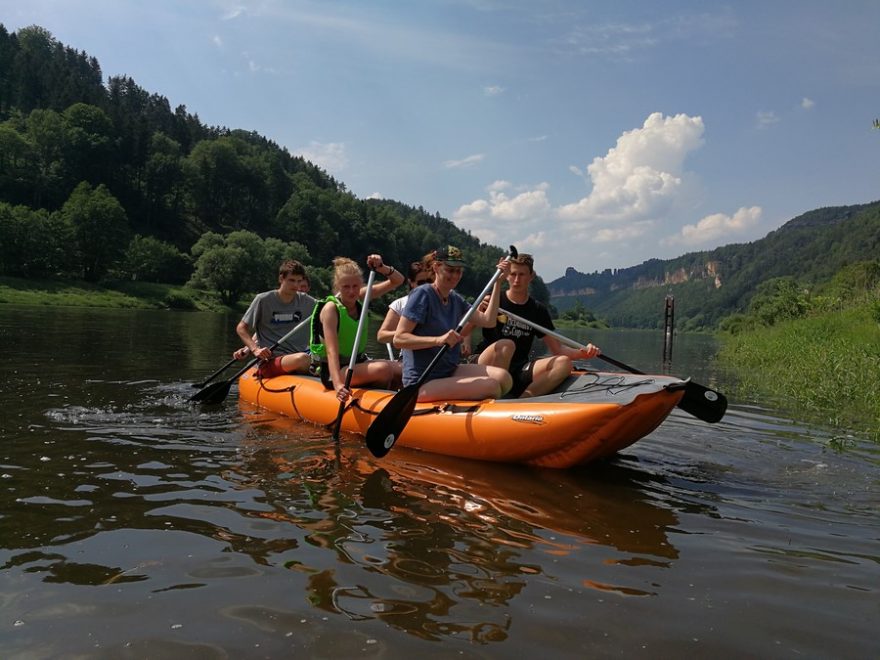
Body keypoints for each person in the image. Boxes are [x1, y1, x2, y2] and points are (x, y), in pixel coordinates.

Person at [394, 245, 513, 402]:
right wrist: (438, 340)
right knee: (491, 386)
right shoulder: (422, 294)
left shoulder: (454, 298)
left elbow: (488, 321)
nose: (455, 275)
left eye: (459, 271)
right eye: (450, 270)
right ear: (436, 267)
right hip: (422, 382)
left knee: (504, 378)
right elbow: (399, 339)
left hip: (449, 371)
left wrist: (498, 283)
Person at [475, 253, 600, 397]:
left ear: (531, 276)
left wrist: (583, 353)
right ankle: (492, 399)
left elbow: (557, 349)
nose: (516, 280)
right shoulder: (492, 299)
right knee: (506, 346)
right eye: (513, 274)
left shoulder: (538, 310)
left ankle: (521, 403)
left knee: (563, 363)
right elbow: (466, 330)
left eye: (522, 275)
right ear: (507, 275)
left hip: (518, 367)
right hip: (487, 364)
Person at [310, 254, 405, 403]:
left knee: (403, 368)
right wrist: (338, 384)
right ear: (337, 287)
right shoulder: (331, 309)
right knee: (384, 369)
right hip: (334, 371)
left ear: (361, 285)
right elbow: (331, 351)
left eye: (355, 286)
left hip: (357, 364)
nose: (351, 291)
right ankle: (381, 401)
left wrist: (381, 267)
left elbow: (398, 280)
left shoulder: (362, 297)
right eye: (346, 287)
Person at [235, 259, 315, 378]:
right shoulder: (263, 300)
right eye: (291, 280)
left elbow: (329, 309)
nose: (296, 285)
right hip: (271, 360)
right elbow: (241, 328)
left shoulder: (307, 301)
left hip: (297, 356)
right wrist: (254, 349)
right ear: (281, 279)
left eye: (299, 281)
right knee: (303, 359)